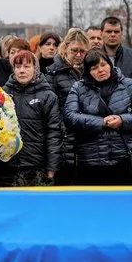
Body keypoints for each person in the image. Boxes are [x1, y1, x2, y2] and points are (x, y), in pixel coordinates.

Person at [65, 49, 132, 185]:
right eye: (94, 68)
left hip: (123, 156)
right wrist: (101, 122)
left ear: (110, 65)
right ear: (88, 71)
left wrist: (122, 120)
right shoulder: (78, 87)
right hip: (90, 158)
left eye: (103, 64)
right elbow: (70, 116)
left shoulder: (128, 84)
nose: (100, 70)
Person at [0, 51, 62, 187]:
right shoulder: (2, 94)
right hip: (8, 166)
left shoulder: (48, 96)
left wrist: (51, 167)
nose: (22, 71)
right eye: (18, 67)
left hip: (37, 166)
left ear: (35, 68)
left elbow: (54, 132)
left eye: (27, 66)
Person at [45, 30, 90, 185]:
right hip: (64, 136)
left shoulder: (91, 70)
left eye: (82, 51)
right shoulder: (53, 73)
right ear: (65, 49)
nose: (78, 55)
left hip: (88, 135)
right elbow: (51, 109)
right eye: (74, 50)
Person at [101, 16, 132, 96]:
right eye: (109, 31)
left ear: (121, 33)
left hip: (129, 106)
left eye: (116, 32)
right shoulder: (93, 57)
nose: (113, 35)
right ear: (101, 33)